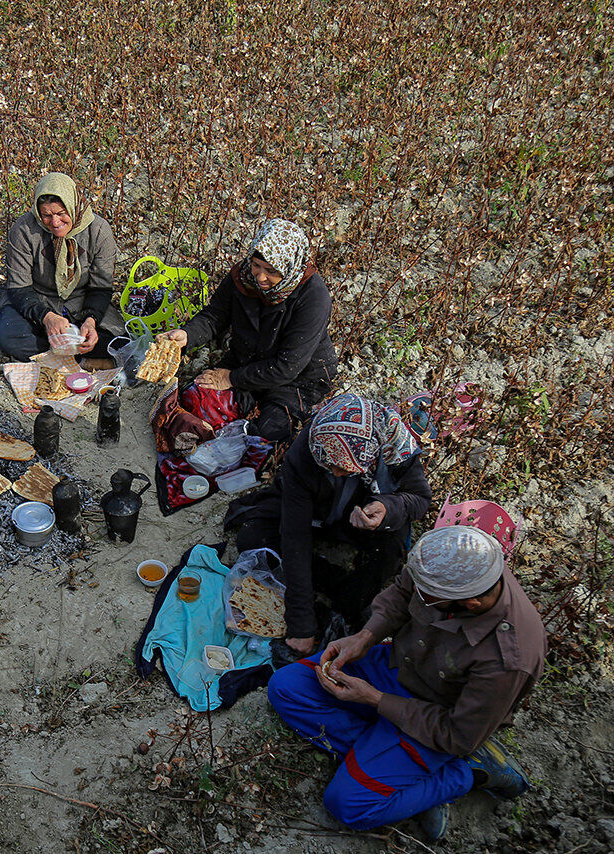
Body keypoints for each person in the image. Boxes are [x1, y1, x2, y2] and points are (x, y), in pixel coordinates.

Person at [267, 525, 546, 841]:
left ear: (470, 604)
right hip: (394, 667)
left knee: (348, 805)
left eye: (427, 595)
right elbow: (401, 593)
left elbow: (457, 734)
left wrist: (374, 699)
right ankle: (398, 771)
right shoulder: (449, 565)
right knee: (286, 687)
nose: (417, 590)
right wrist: (365, 637)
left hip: (433, 719)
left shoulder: (509, 659)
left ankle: (461, 774)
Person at [225, 393, 431, 656]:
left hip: (367, 520)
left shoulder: (394, 446)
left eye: (343, 468)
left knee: (385, 556)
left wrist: (385, 508)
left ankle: (343, 596)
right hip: (317, 514)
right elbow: (295, 535)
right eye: (328, 466)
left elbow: (420, 499)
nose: (334, 473)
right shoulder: (310, 447)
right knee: (253, 537)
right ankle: (330, 579)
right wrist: (301, 625)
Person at [160, 218, 336, 442]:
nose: (260, 277)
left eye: (271, 271)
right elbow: (215, 316)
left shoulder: (313, 297)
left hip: (297, 380)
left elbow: (288, 366)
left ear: (289, 267)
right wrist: (187, 335)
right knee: (193, 400)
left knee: (266, 434)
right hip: (248, 360)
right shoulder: (241, 278)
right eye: (256, 265)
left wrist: (231, 378)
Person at [0, 172, 124, 361]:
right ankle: (73, 356)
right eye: (46, 215)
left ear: (73, 206)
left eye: (62, 214)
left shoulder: (98, 231)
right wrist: (47, 318)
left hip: (80, 302)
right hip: (38, 300)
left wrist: (90, 320)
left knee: (118, 341)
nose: (55, 222)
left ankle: (56, 354)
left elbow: (101, 287)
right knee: (7, 336)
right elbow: (19, 287)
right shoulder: (24, 230)